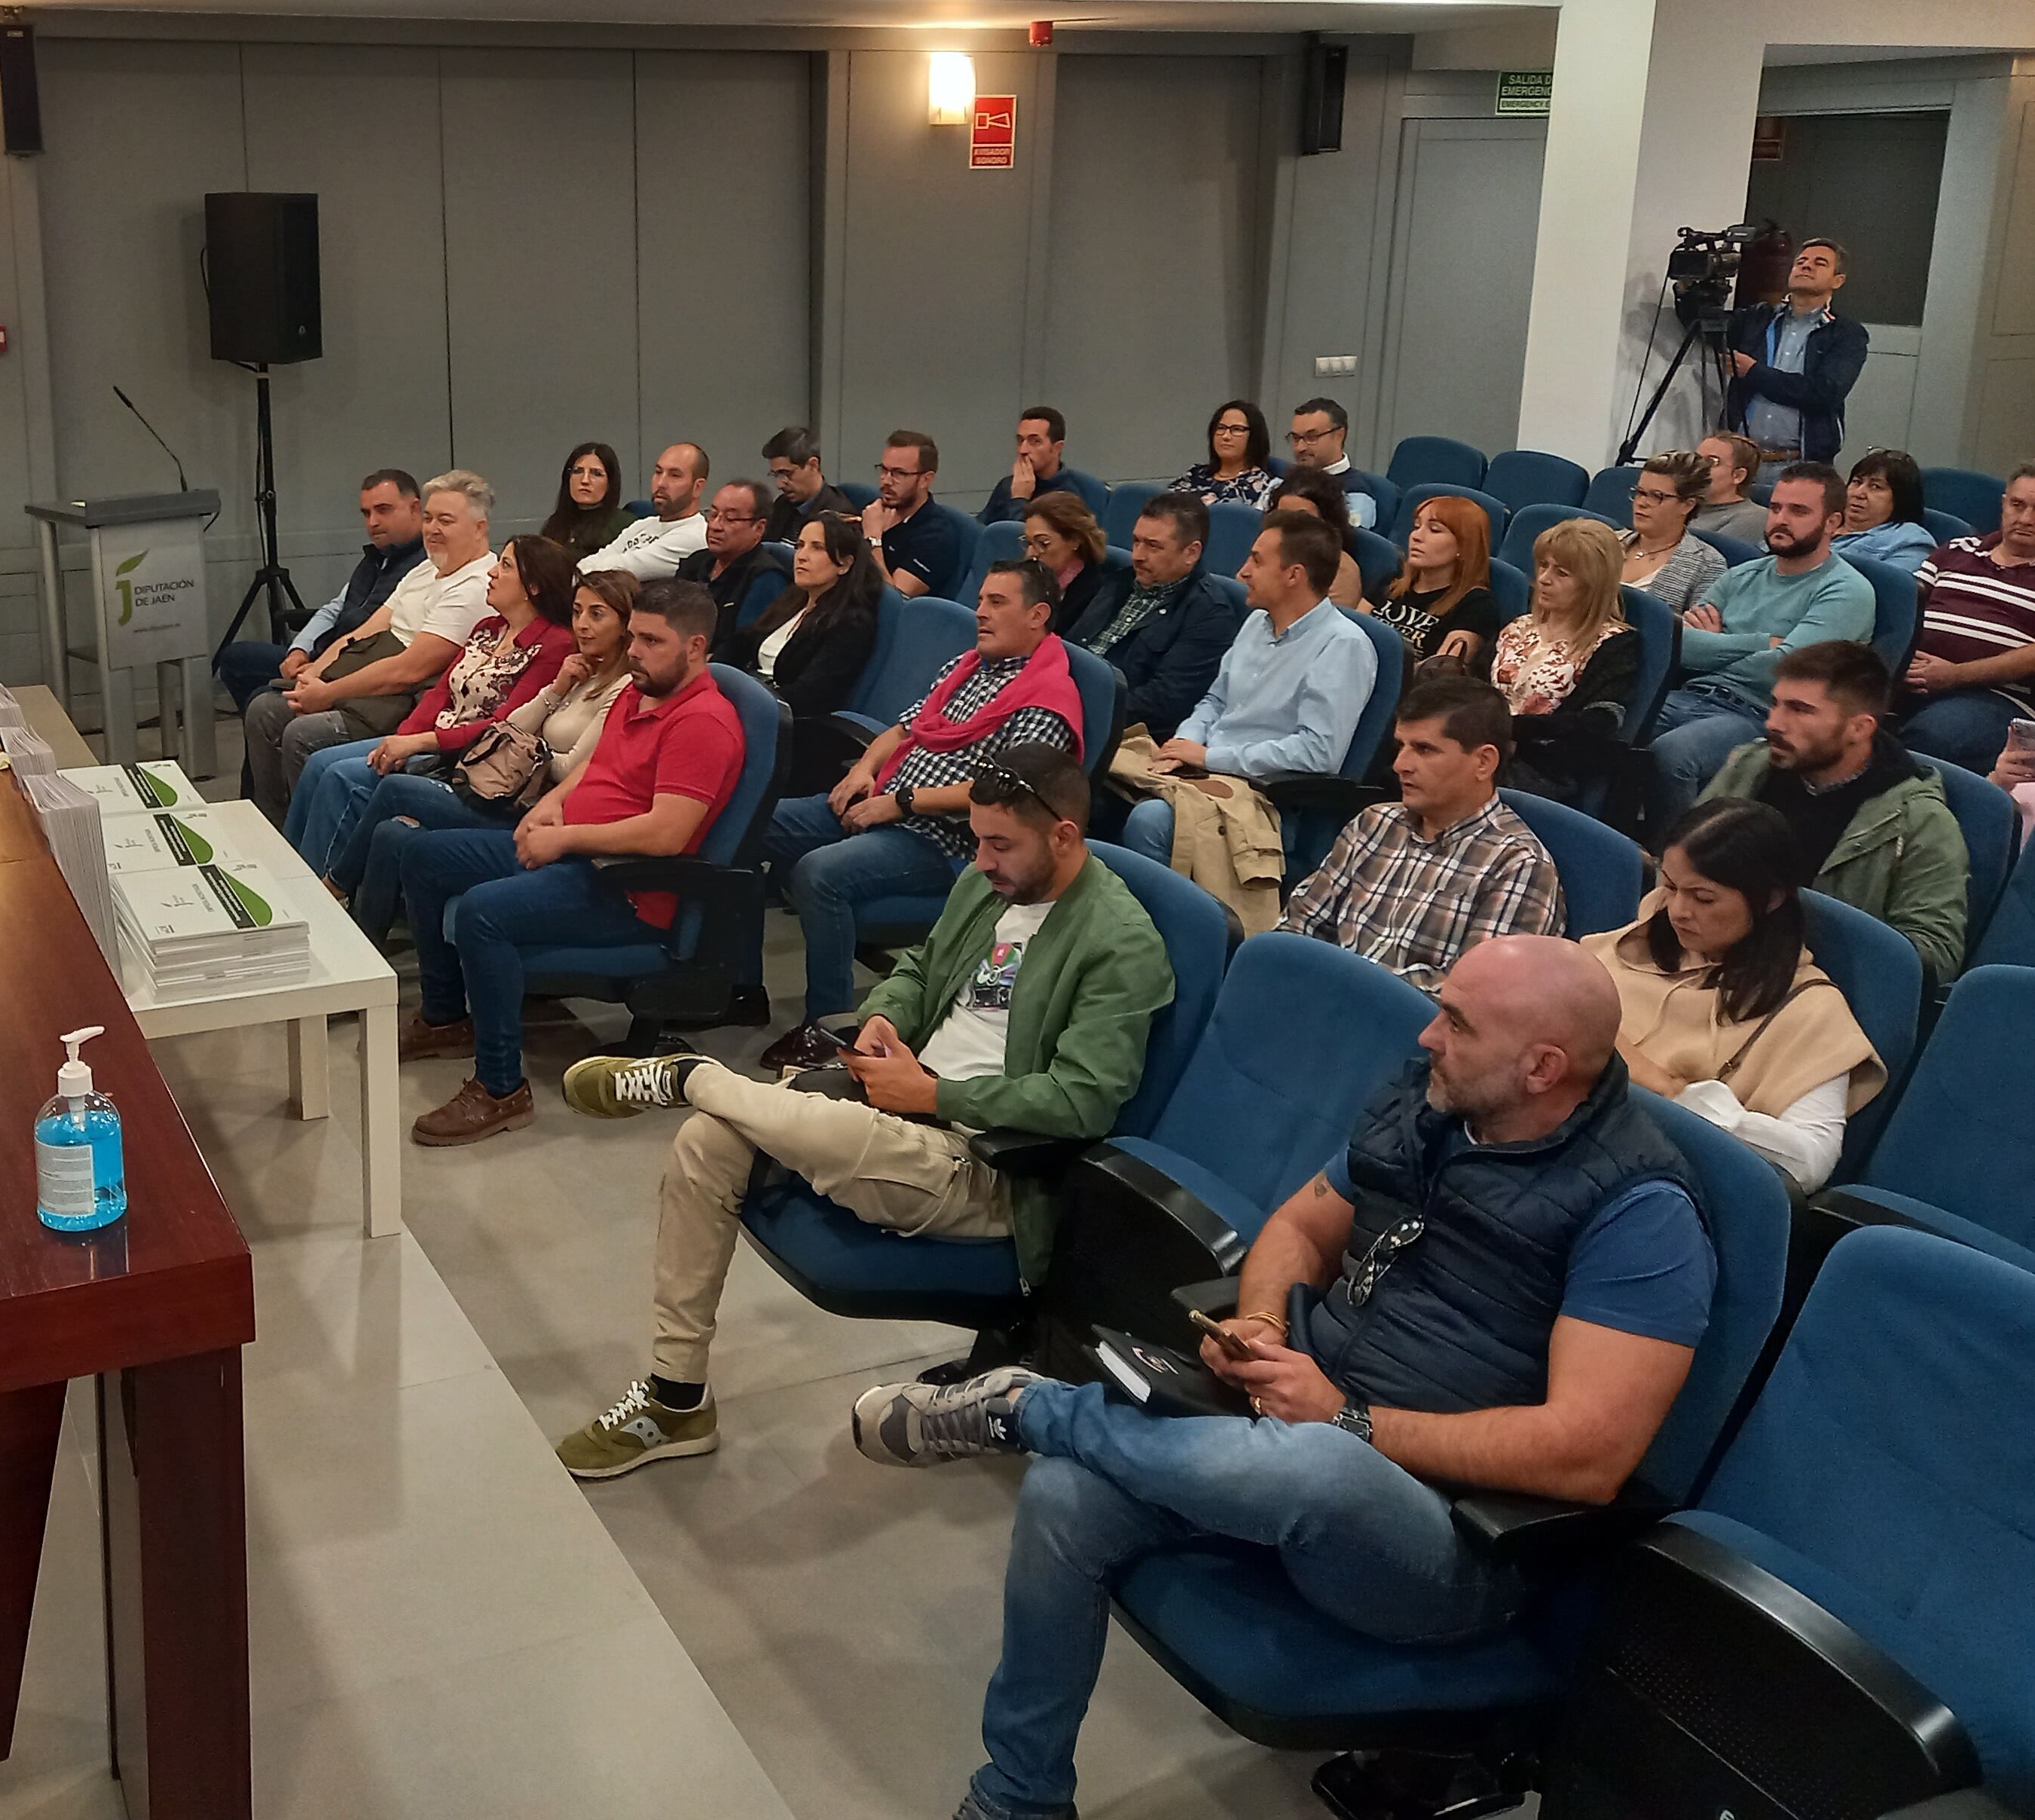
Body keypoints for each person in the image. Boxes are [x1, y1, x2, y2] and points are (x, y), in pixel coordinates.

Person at [853, 936, 1713, 1820]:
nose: (1426, 1038)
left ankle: (1033, 1410)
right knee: (1067, 1497)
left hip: (1438, 1543)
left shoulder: (1639, 1211)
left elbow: (1589, 1456)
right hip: (1279, 1437)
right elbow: (1298, 1234)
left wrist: (1350, 1421)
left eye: (1455, 1022)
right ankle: (1018, 1798)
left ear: (1540, 1067)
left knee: (1319, 1464)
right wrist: (1259, 1323)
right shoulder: (1427, 1109)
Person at [546, 748, 1172, 1479]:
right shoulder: (985, 885)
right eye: (977, 839)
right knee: (705, 1143)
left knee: (748, 1115)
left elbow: (1081, 1100)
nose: (982, 860)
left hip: (989, 1164)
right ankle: (676, 1397)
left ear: (1064, 837)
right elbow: (916, 968)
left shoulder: (1121, 946)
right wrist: (886, 1017)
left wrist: (934, 1096)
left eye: (1002, 844)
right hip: (897, 1103)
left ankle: (696, 1078)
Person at [397, 579, 747, 1147]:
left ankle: (501, 1088)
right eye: (633, 637)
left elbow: (667, 833)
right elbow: (594, 768)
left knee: (482, 913)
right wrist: (552, 808)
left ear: (695, 648)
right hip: (579, 849)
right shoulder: (640, 690)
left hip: (626, 885)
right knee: (423, 855)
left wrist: (566, 839)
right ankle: (445, 1018)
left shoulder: (702, 722)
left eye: (652, 641)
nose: (634, 651)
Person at [756, 560, 1084, 1033]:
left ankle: (828, 1027)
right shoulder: (967, 667)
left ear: (1037, 615)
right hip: (886, 803)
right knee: (750, 823)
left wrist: (902, 802)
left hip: (947, 842)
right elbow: (906, 728)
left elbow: (1007, 794)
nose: (980, 613)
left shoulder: (1047, 698)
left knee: (820, 874)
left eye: (997, 603)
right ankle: (737, 989)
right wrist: (865, 771)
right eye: (980, 601)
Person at [1583, 800, 1882, 1190]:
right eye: (1670, 886)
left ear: (1771, 900)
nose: (1677, 911)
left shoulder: (1809, 1009)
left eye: (1703, 898)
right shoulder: (1641, 937)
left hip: (1640, 1178)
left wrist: (1672, 1092)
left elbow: (1809, 1162)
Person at [1114, 516, 1377, 930]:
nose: (1243, 572)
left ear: (1294, 575)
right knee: (1096, 782)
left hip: (1266, 799)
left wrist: (1210, 756)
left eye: (1257, 560)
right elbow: (1215, 699)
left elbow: (1317, 753)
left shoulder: (1342, 645)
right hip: (1201, 773)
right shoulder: (1256, 622)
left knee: (1151, 821)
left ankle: (1171, 947)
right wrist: (1182, 743)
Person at [352, 570, 638, 939]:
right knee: (391, 833)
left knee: (397, 791)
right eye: (578, 612)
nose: (582, 625)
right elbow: (507, 728)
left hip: (532, 808)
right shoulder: (579, 670)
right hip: (505, 789)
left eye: (597, 615)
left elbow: (571, 770)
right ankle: (366, 947)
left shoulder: (623, 688)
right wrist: (557, 689)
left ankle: (337, 885)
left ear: (625, 624)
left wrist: (529, 746)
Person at [285, 533, 573, 884]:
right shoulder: (488, 628)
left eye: (506, 566)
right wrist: (402, 740)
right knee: (318, 764)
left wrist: (419, 743)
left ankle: (325, 889)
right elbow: (439, 694)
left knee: (341, 776)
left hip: (471, 757)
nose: (493, 573)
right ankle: (293, 878)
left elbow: (504, 727)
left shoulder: (553, 644)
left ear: (534, 586)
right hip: (430, 737)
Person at [1703, 640, 1971, 985]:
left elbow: (1936, 953)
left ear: (1859, 728)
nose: (1774, 722)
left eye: (1799, 710)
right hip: (1708, 957)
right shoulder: (1750, 764)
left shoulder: (1919, 820)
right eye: (1775, 704)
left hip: (1811, 990)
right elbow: (1687, 855)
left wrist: (1815, 936)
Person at [240, 469, 494, 826]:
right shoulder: (425, 569)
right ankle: (273, 826)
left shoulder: (476, 585)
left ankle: (314, 846)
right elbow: (362, 632)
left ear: (479, 527)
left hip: (400, 699)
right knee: (265, 709)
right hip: (365, 675)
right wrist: (315, 671)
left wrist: (328, 693)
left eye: (446, 521)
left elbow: (410, 669)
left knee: (302, 734)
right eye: (429, 519)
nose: (432, 529)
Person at [1278, 676, 1563, 993]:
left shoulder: (1518, 865)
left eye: (1424, 749)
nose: (1401, 765)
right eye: (1401, 747)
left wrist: (1340, 990)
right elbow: (1300, 924)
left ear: (1484, 762)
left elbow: (1470, 999)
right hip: (1314, 1003)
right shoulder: (1374, 823)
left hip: (1404, 1032)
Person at [1645, 462, 1875, 835]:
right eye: (1776, 508)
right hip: (1691, 694)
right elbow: (1678, 647)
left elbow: (1789, 673)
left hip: (1761, 715)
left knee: (1674, 754)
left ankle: (1675, 870)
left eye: (1799, 511)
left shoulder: (1847, 590)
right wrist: (1759, 643)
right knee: (1611, 720)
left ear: (1833, 522)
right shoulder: (1743, 574)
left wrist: (1717, 643)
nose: (1782, 520)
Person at [209, 468, 423, 717]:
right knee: (237, 658)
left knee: (265, 701)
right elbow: (334, 609)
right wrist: (299, 650)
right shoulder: (377, 557)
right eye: (366, 513)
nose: (372, 522)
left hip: (357, 669)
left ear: (415, 508)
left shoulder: (425, 567)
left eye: (383, 510)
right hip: (327, 654)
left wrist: (321, 670)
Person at [1895, 456, 2035, 771]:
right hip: (1908, 679)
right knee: (1826, 713)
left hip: (1998, 698)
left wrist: (1955, 675)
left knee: (1931, 735)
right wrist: (1899, 661)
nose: (2025, 518)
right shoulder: (1956, 550)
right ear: (2003, 504)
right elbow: (1902, 609)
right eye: (2017, 504)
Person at [1493, 518, 1642, 802]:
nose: (1544, 579)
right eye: (1543, 566)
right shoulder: (1519, 627)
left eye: (1562, 573)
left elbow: (1598, 723)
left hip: (1539, 768)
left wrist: (1509, 730)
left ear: (1592, 585)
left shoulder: (1614, 643)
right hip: (1480, 746)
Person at [1080, 492, 1244, 745]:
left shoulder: (1210, 615)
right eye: (1136, 542)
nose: (1137, 555)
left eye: (1153, 546)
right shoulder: (1118, 582)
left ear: (1191, 553)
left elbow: (1163, 704)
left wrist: (1078, 709)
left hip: (1114, 732)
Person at [745, 511, 891, 792]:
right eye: (800, 546)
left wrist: (746, 707)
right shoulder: (794, 598)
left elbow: (811, 694)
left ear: (844, 565)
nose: (801, 556)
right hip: (757, 702)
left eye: (817, 548)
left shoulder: (851, 622)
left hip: (789, 729)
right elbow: (743, 639)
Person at [1725, 237, 1868, 469]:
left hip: (1801, 463)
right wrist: (1686, 290)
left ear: (1838, 280)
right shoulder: (1758, 318)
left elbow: (1824, 392)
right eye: (1800, 261)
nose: (1806, 266)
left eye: (1820, 263)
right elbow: (1704, 325)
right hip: (1741, 462)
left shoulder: (1846, 333)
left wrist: (1753, 372)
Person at [1370, 493, 1500, 671]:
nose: (1417, 536)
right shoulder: (1393, 582)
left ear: (1463, 546)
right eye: (1416, 526)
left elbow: (1436, 673)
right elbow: (1352, 630)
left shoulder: (1478, 606)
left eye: (1435, 530)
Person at [677, 478, 781, 659]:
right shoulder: (696, 563)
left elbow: (741, 649)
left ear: (759, 527)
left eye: (730, 518)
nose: (716, 526)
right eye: (713, 514)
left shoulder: (767, 578)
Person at [864, 428, 973, 598]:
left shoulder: (937, 536)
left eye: (899, 473)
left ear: (925, 480)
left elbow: (894, 603)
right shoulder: (876, 512)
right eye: (884, 470)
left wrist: (872, 540)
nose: (886, 480)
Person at [578, 441, 711, 579]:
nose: (661, 483)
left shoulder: (694, 535)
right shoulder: (644, 524)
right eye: (658, 472)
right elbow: (598, 558)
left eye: (675, 475)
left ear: (698, 487)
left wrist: (578, 575)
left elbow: (619, 571)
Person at [1621, 449, 1731, 611]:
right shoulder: (1608, 542)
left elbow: (1694, 632)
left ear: (1688, 505)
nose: (1641, 503)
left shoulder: (1708, 565)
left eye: (1656, 496)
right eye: (1640, 492)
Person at [1018, 493, 1132, 643]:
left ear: (1075, 540)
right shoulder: (1027, 581)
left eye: (1043, 543)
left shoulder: (1099, 593)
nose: (1032, 553)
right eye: (1028, 543)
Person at [1268, 469, 1369, 609]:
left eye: (1303, 518)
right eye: (1282, 516)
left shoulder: (1339, 572)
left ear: (1327, 521)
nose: (1290, 526)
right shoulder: (1269, 550)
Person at [1836, 447, 1936, 576]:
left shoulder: (1910, 541)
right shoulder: (1822, 519)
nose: (1859, 493)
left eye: (1876, 487)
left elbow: (1891, 589)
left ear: (1900, 498)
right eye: (1857, 482)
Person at [1283, 396, 1379, 529]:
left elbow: (1346, 542)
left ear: (1339, 435)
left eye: (1312, 437)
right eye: (1295, 438)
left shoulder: (1356, 495)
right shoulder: (1285, 481)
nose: (1300, 447)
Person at [1168, 399, 1275, 507]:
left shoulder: (1266, 487)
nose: (1226, 436)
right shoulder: (1195, 474)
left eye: (1237, 429)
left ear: (1255, 436)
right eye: (1221, 428)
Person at [982, 406, 1075, 524]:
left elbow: (1030, 540)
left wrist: (1020, 500)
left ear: (1057, 448)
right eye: (1021, 441)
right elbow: (982, 534)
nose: (1023, 450)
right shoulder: (1007, 487)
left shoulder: (1079, 491)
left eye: (1035, 441)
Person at [538, 440, 626, 562]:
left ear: (610, 482)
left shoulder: (625, 526)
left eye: (596, 474)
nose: (585, 480)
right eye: (577, 471)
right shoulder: (555, 524)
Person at [1691, 431, 1771, 548]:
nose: (1697, 468)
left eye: (1711, 462)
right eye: (1696, 459)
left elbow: (1709, 562)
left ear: (1738, 476)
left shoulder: (1753, 518)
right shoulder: (1681, 507)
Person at [762, 424, 838, 542]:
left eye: (787, 474)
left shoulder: (838, 517)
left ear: (813, 465)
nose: (779, 484)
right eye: (776, 475)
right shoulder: (782, 505)